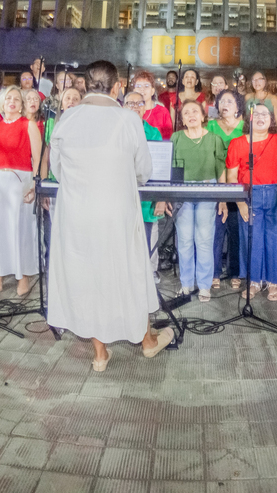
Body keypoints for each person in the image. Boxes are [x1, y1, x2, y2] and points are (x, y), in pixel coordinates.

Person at [47, 60, 173, 370]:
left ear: (86, 85)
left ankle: (100, 355)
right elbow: (143, 171)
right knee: (128, 271)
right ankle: (146, 342)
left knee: (86, 274)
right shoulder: (127, 120)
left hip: (76, 212)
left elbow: (57, 169)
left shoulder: (67, 118)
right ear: (116, 87)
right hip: (115, 211)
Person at [227, 101, 277, 300]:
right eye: (256, 114)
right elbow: (232, 176)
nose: (260, 118)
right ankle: (254, 281)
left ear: (272, 119)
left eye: (265, 114)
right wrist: (240, 203)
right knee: (252, 238)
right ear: (249, 118)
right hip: (248, 194)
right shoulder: (237, 143)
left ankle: (275, 282)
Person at [0, 85, 38, 297]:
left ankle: (21, 274)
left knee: (18, 228)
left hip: (20, 179)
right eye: (8, 98)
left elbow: (38, 159)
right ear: (2, 103)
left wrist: (33, 185)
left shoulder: (28, 125)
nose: (12, 101)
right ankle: (0, 271)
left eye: (16, 99)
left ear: (22, 105)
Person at [170, 100, 227, 301]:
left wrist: (222, 198)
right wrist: (169, 197)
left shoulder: (214, 139)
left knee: (204, 240)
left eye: (195, 111)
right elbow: (171, 170)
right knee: (184, 240)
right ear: (182, 119)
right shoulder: (176, 138)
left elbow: (221, 170)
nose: (191, 115)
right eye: (186, 113)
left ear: (203, 116)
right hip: (182, 192)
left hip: (208, 190)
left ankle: (204, 285)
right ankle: (186, 284)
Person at [208, 90, 247, 288]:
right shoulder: (211, 125)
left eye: (229, 101)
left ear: (238, 106)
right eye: (221, 101)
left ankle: (235, 271)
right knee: (217, 228)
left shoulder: (245, 127)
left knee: (236, 228)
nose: (225, 104)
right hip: (216, 180)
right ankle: (214, 271)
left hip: (240, 183)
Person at [122, 91, 169, 250]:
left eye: (139, 103)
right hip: (122, 194)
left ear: (145, 108)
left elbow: (159, 167)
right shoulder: (117, 130)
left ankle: (145, 275)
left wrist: (161, 198)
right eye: (131, 103)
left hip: (147, 197)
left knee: (145, 245)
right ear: (123, 107)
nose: (135, 107)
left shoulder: (154, 132)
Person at [132, 70, 173, 139]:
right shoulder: (128, 111)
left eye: (146, 86)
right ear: (134, 90)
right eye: (138, 86)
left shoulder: (162, 112)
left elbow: (168, 139)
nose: (142, 89)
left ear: (152, 91)